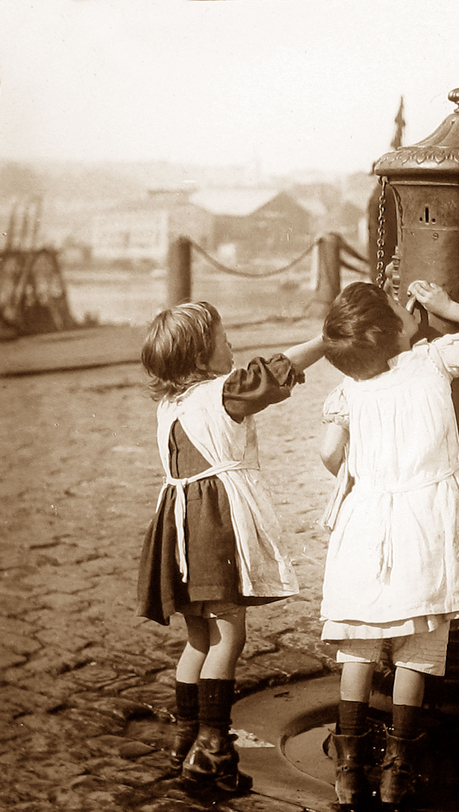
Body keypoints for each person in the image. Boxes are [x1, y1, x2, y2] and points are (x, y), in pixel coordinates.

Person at [319, 280, 459, 809]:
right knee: (420, 648)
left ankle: (348, 765)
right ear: (392, 331)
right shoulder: (431, 360)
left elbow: (330, 455)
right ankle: (399, 770)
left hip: (367, 520)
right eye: (396, 307)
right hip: (426, 520)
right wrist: (446, 307)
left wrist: (372, 466)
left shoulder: (350, 389)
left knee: (358, 642)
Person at [137, 301, 324, 793]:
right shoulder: (220, 393)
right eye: (224, 339)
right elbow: (273, 373)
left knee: (198, 639)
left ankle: (185, 734)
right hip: (212, 525)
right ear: (201, 355)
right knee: (228, 637)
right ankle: (214, 748)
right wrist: (327, 341)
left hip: (178, 526)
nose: (233, 347)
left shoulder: (170, 404)